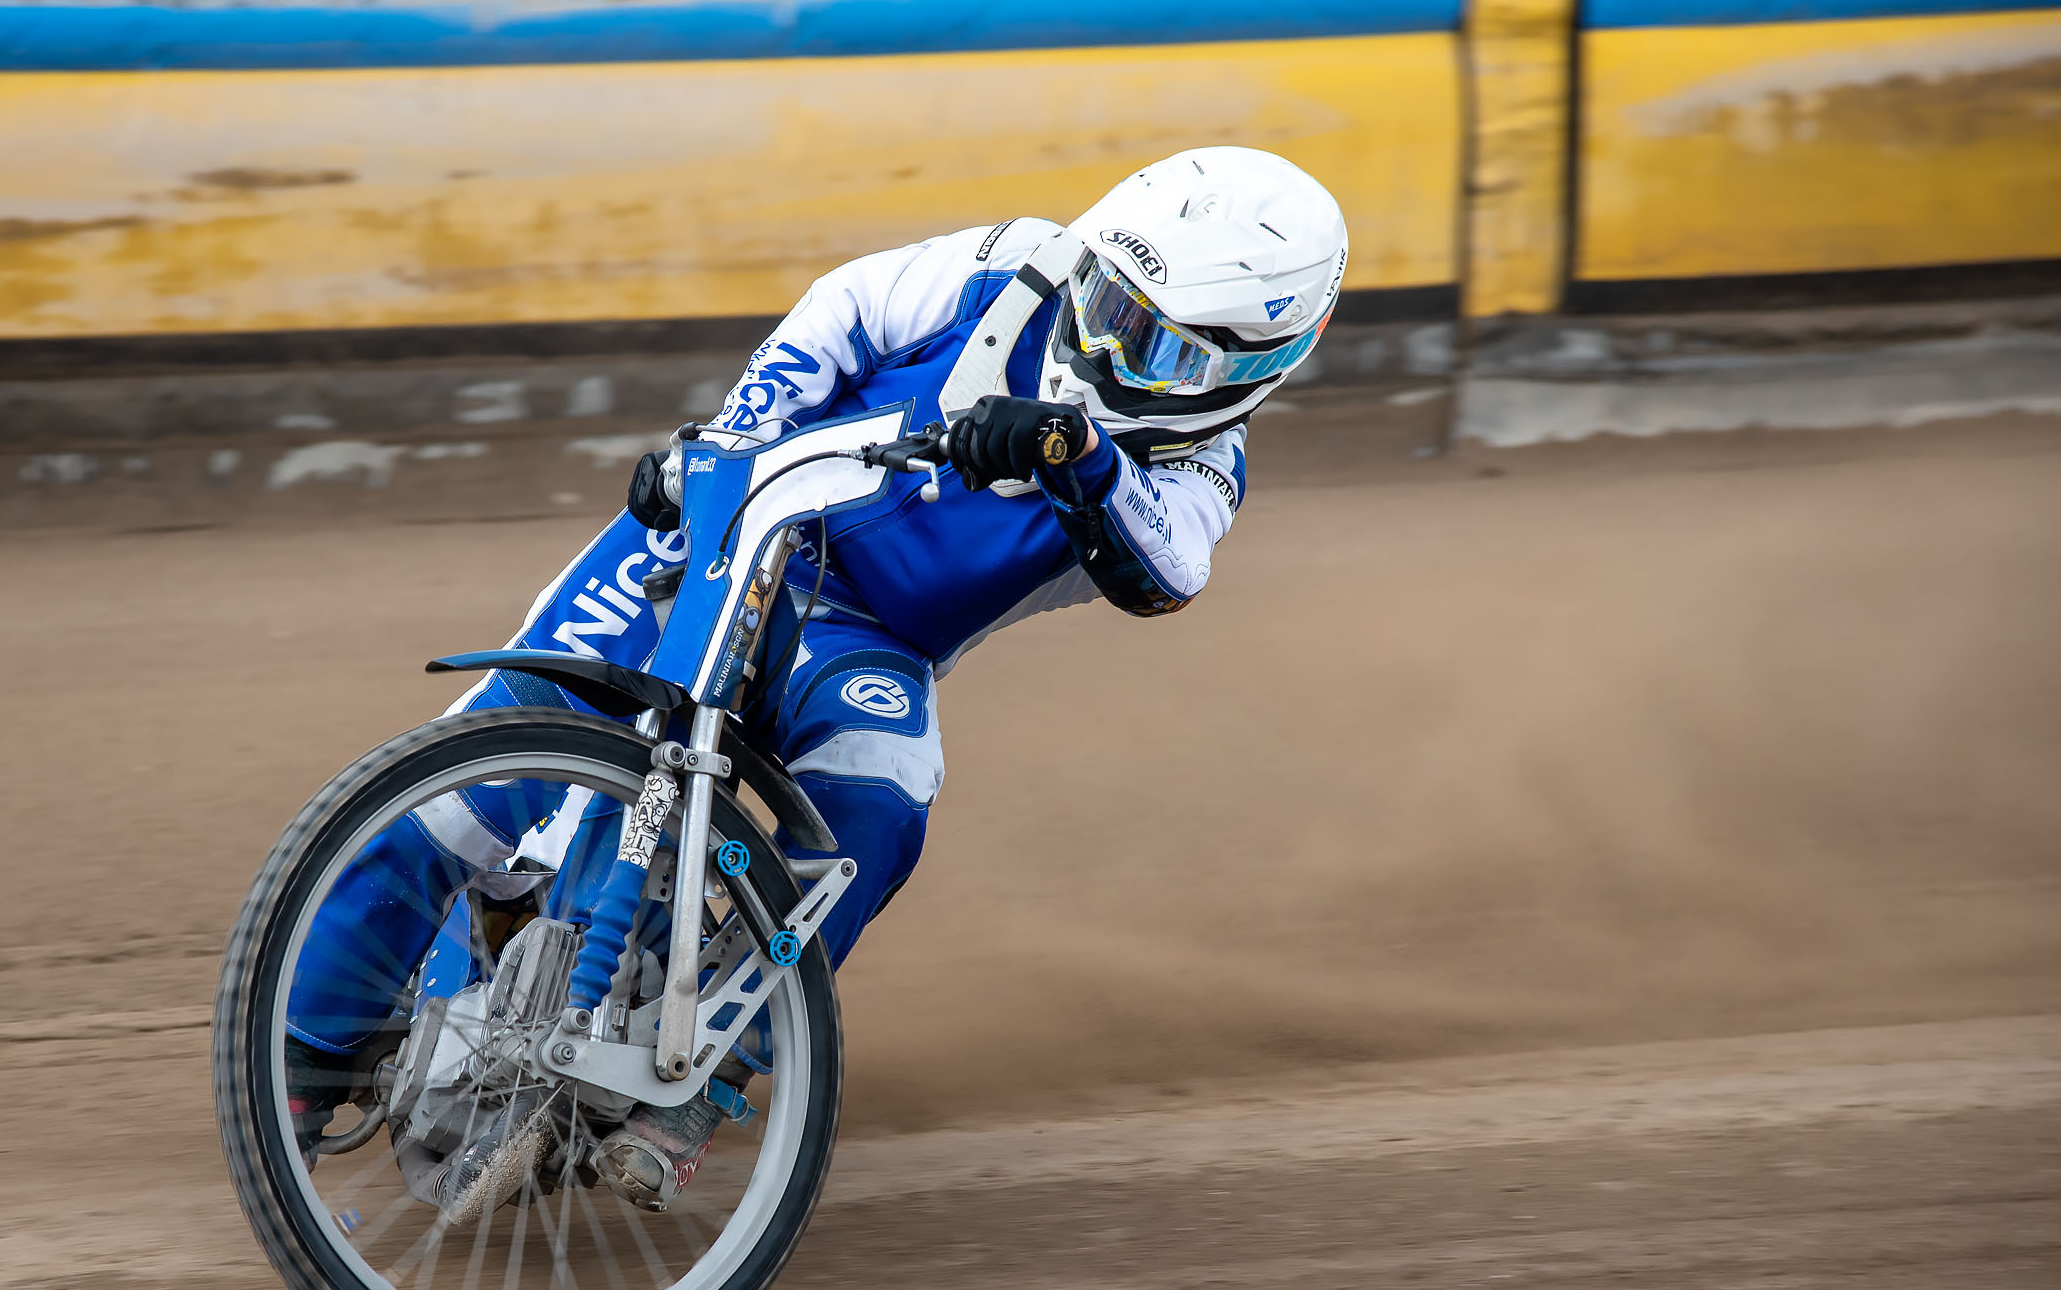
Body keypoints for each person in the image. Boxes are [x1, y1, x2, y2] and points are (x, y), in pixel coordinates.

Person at [290, 146, 1348, 1208]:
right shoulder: (1016, 264)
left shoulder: (1200, 471)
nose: (1103, 343)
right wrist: (732, 441)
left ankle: (705, 1078)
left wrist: (1078, 456)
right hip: (725, 534)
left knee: (884, 804)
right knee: (461, 791)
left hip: (863, 637)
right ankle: (299, 1056)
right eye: (1106, 302)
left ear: (1254, 365)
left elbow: (1163, 571)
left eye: (1152, 343)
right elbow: (844, 309)